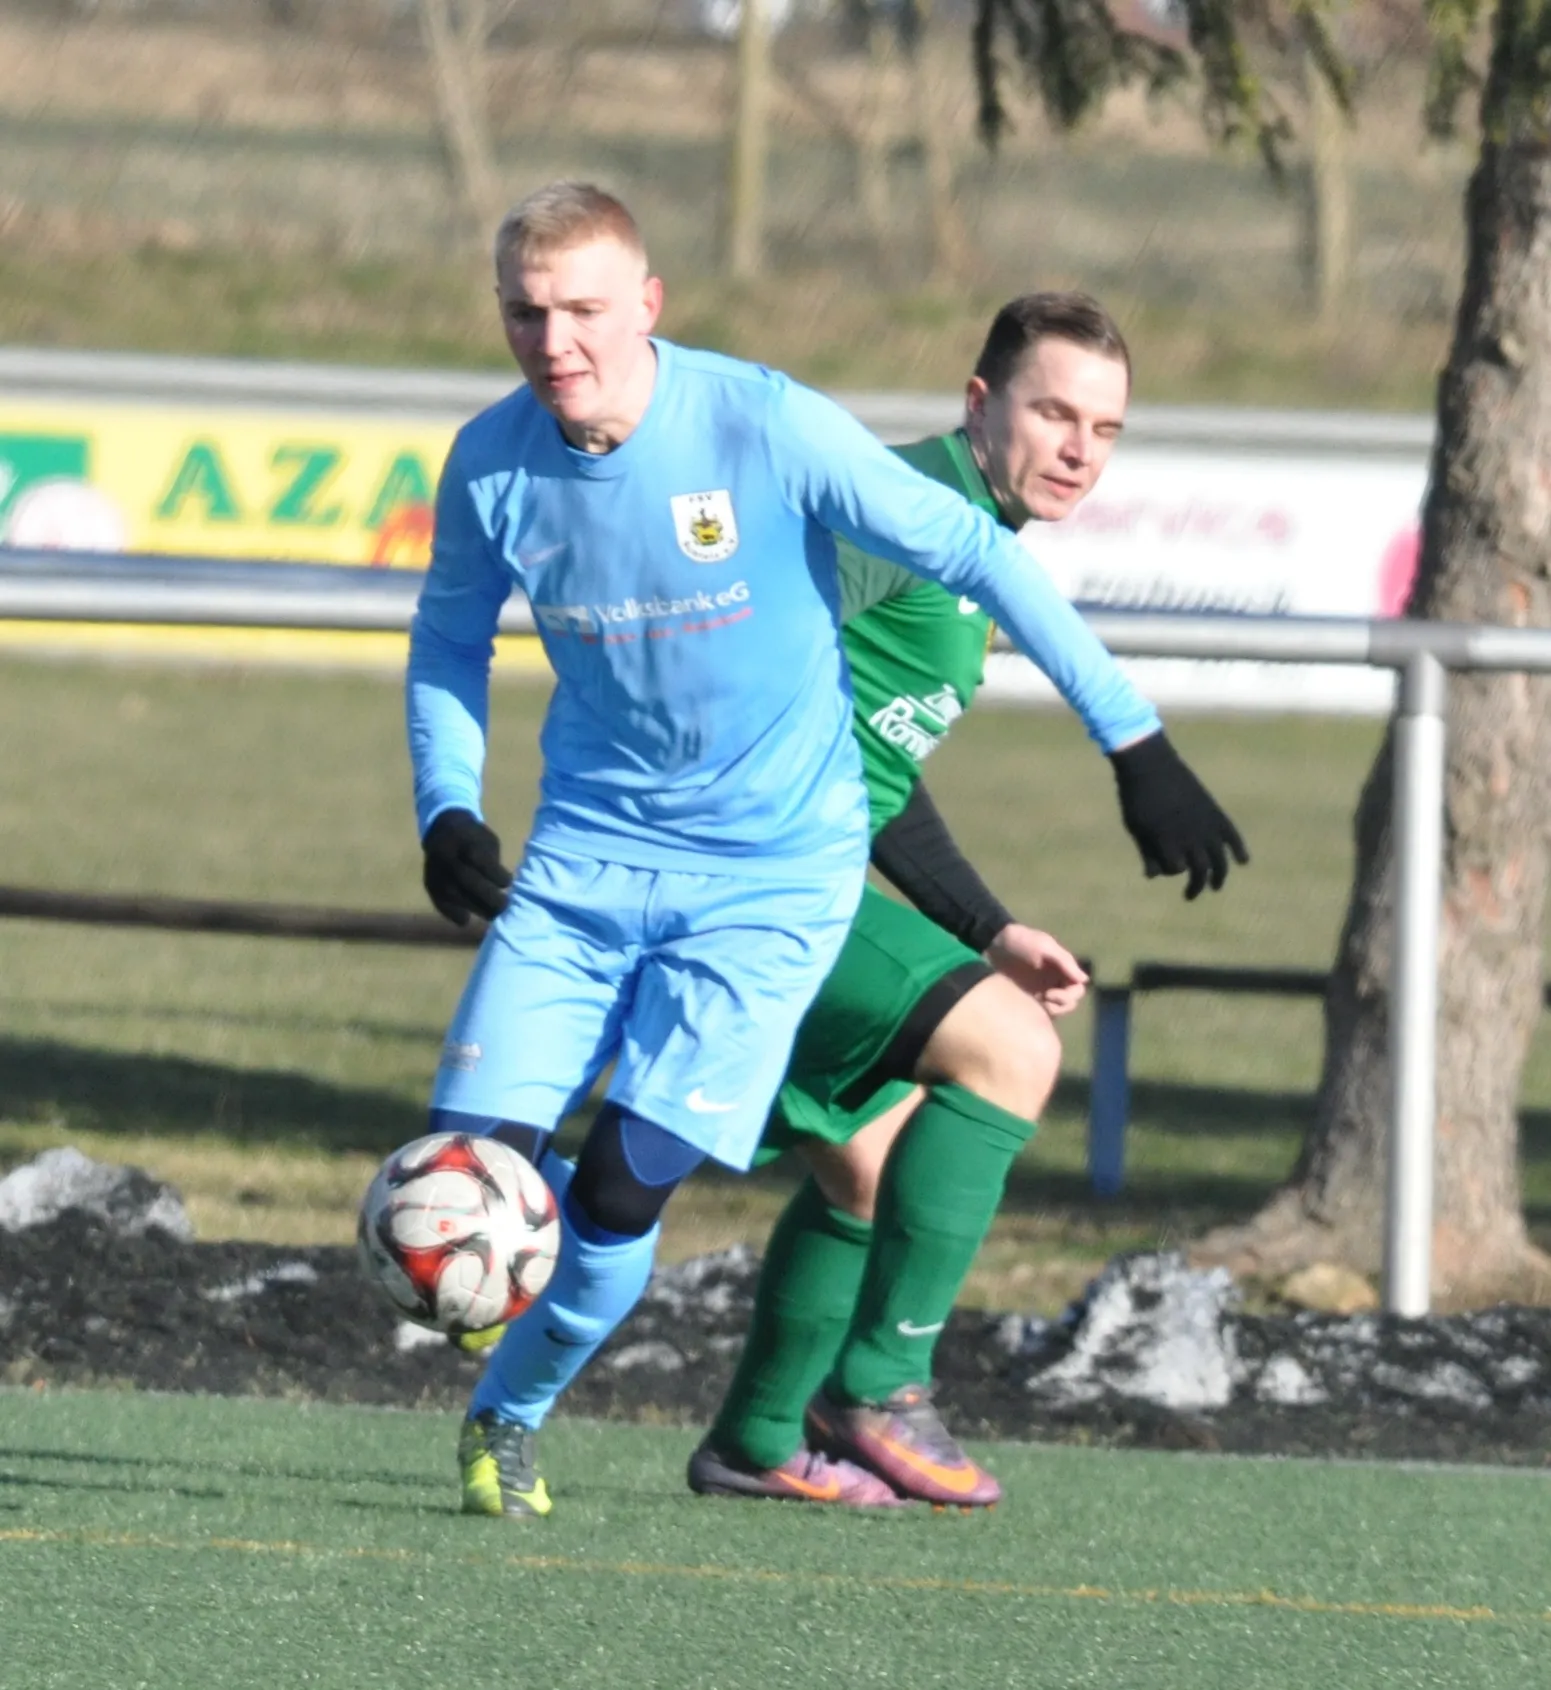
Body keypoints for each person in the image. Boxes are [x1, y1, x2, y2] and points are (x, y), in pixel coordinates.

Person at [408, 180, 1246, 1521]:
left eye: (583, 311)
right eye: (526, 312)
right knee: (462, 1184)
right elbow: (450, 637)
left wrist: (1133, 746)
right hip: (584, 868)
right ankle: (748, 1391)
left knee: (619, 1191)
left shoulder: (761, 423)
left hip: (763, 892)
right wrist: (446, 806)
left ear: (647, 306)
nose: (554, 341)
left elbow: (973, 567)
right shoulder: (492, 462)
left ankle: (513, 1414)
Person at [687, 293, 1195, 1511]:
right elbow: (732, 646)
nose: (1079, 448)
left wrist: (990, 928)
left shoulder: (972, 536)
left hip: (769, 870)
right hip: (736, 874)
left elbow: (876, 766)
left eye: (1105, 429)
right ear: (980, 403)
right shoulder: (901, 512)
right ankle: (882, 1386)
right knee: (1012, 1049)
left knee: (868, 1161)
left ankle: (755, 1440)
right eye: (1054, 413)